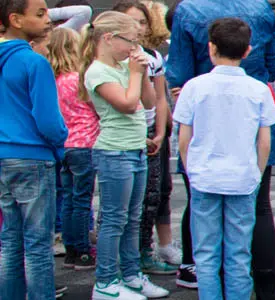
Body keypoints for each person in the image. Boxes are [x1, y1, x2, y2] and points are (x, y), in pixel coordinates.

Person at [166, 0, 275, 296]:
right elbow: (273, 65)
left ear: (210, 47)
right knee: (255, 222)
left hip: (204, 155)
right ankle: (266, 290)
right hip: (245, 158)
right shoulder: (262, 8)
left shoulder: (188, 11)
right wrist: (255, 173)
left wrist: (190, 167)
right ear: (247, 50)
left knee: (205, 250)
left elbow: (178, 72)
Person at [82, 10, 170, 300]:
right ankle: (105, 282)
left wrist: (142, 72)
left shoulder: (124, 67)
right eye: (131, 42)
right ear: (108, 38)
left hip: (134, 150)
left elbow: (147, 100)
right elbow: (128, 104)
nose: (135, 49)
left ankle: (132, 275)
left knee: (133, 218)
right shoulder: (97, 71)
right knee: (114, 220)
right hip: (113, 153)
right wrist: (134, 72)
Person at [0, 0, 68, 297]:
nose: (48, 20)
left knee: (9, 241)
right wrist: (60, 142)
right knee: (38, 245)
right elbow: (49, 121)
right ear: (15, 19)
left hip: (3, 156)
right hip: (33, 157)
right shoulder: (34, 62)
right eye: (40, 14)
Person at [111, 0, 179, 275]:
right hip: (126, 134)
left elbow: (158, 98)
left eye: (142, 22)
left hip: (153, 132)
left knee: (158, 191)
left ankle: (149, 250)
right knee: (128, 201)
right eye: (131, 22)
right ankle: (130, 258)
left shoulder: (151, 55)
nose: (138, 28)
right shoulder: (112, 58)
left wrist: (161, 131)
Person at [46, 27, 99, 271]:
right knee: (82, 201)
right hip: (85, 144)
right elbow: (97, 107)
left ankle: (70, 249)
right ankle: (83, 251)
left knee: (67, 199)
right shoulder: (79, 78)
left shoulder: (52, 81)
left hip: (64, 145)